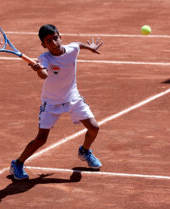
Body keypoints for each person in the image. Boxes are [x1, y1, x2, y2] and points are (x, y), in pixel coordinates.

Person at [10, 24, 103, 180]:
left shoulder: (72, 49)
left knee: (94, 128)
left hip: (72, 97)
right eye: (48, 41)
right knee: (41, 139)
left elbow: (78, 44)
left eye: (55, 38)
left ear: (60, 37)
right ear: (43, 45)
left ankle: (85, 151)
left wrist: (90, 47)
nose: (53, 43)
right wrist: (39, 69)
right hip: (51, 102)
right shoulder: (44, 58)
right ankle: (17, 163)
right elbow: (45, 75)